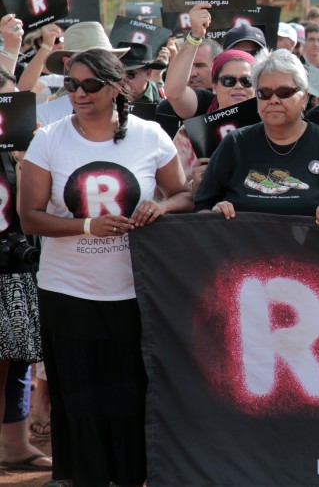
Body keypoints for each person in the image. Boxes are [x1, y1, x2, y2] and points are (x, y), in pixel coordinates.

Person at [20, 48, 193, 487]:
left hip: (136, 293)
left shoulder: (151, 135)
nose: (78, 93)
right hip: (67, 291)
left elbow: (185, 195)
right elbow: (30, 217)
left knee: (129, 397)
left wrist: (160, 206)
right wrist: (86, 225)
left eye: (90, 85)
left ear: (118, 87)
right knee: (78, 399)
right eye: (71, 85)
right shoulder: (50, 139)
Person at [194, 49, 319, 222]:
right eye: (264, 93)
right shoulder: (235, 143)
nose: (273, 100)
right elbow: (202, 205)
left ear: (304, 98)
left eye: (284, 92)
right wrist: (214, 213)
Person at [0, 68, 50, 472]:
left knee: (18, 358)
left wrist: (22, 161)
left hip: (14, 265)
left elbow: (28, 214)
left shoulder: (20, 150)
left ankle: (14, 444)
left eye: (10, 100)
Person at [173, 49, 256, 194]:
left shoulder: (272, 128)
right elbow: (170, 193)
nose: (238, 86)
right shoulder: (189, 134)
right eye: (228, 81)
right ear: (214, 86)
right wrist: (195, 186)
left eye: (247, 81)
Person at [34, 22, 130, 126]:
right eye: (86, 60)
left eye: (92, 84)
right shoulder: (44, 116)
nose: (80, 94)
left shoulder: (140, 127)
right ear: (67, 62)